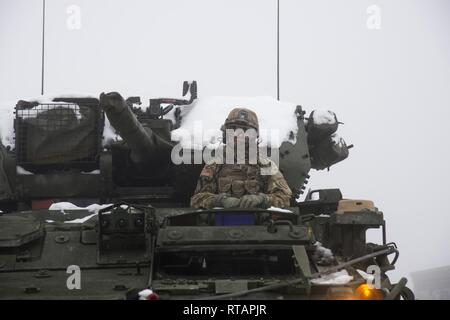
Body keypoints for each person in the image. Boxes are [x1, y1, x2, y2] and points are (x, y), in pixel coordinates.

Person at [190, 107, 292, 209]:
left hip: (258, 223)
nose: (239, 135)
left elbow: (284, 197)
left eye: (245, 131)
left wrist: (262, 199)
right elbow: (197, 199)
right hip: (221, 221)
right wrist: (219, 200)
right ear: (226, 133)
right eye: (233, 129)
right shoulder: (215, 165)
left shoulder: (265, 165)